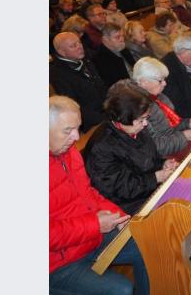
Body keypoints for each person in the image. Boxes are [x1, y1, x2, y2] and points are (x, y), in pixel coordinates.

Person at [49, 96, 149, 295]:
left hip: (88, 239)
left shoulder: (69, 152)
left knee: (147, 244)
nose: (77, 137)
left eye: (78, 128)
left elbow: (88, 193)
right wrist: (95, 225)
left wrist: (117, 216)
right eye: (68, 131)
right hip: (56, 263)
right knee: (120, 289)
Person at [84, 81, 179, 215]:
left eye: (146, 118)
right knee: (179, 210)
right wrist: (156, 178)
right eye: (141, 119)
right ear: (123, 119)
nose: (145, 124)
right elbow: (121, 188)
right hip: (128, 204)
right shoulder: (101, 148)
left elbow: (150, 159)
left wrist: (163, 163)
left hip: (149, 190)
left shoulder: (135, 127)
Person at [132, 57, 191, 158]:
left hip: (175, 147)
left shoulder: (159, 96)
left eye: (164, 79)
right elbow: (154, 147)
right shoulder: (137, 108)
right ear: (144, 81)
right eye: (160, 80)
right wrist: (183, 137)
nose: (165, 83)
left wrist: (188, 123)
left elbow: (170, 127)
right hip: (162, 160)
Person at [50, 32, 108, 132]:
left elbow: (102, 86)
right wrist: (104, 119)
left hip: (107, 110)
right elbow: (74, 108)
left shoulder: (83, 59)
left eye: (79, 43)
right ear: (62, 52)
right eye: (73, 46)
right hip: (90, 123)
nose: (80, 47)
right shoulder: (58, 74)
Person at [92, 23, 137, 88]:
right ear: (105, 39)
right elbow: (117, 84)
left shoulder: (122, 47)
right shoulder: (100, 59)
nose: (122, 39)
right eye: (117, 37)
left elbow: (134, 65)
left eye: (122, 36)